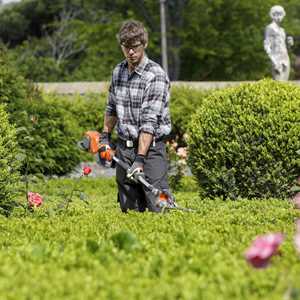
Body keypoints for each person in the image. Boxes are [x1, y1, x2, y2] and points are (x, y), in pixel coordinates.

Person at [100, 20, 172, 213]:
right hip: (125, 148)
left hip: (151, 152)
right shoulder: (118, 71)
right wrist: (105, 138)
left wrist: (140, 159)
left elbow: (149, 122)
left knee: (161, 204)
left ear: (144, 44)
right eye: (126, 47)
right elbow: (111, 108)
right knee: (128, 209)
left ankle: (168, 219)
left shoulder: (155, 75)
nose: (131, 52)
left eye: (135, 47)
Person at [264, 5, 294, 81]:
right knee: (279, 82)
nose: (279, 16)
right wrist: (274, 61)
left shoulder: (282, 30)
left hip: (286, 58)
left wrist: (289, 44)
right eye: (276, 14)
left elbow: (285, 47)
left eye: (281, 14)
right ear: (272, 15)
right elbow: (267, 45)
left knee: (285, 83)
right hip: (277, 59)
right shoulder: (270, 27)